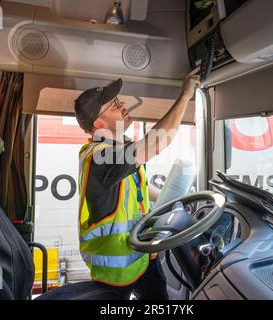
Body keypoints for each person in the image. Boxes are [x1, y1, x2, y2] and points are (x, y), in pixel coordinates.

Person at [40, 69, 200, 300]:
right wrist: (185, 96)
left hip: (141, 256)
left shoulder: (118, 150)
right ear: (98, 121)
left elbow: (138, 189)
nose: (122, 104)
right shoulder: (100, 157)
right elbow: (156, 143)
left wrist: (177, 199)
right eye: (113, 104)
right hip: (117, 269)